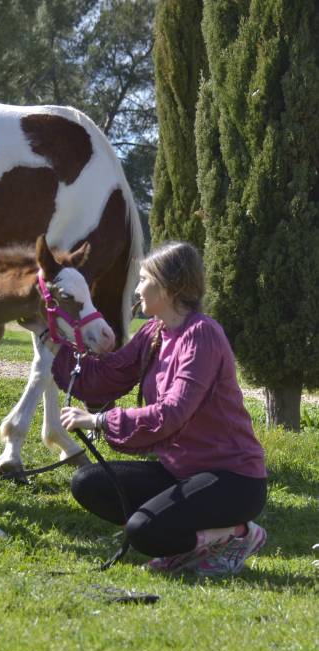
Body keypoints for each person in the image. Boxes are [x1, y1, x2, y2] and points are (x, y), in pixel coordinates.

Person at [51, 241, 268, 577]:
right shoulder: (155, 331)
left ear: (168, 287)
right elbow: (109, 376)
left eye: (142, 279)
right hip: (179, 470)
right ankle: (181, 539)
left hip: (232, 479)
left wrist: (98, 420)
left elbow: (172, 413)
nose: (137, 289)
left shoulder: (202, 335)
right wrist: (54, 343)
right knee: (88, 483)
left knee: (143, 531)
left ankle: (237, 535)